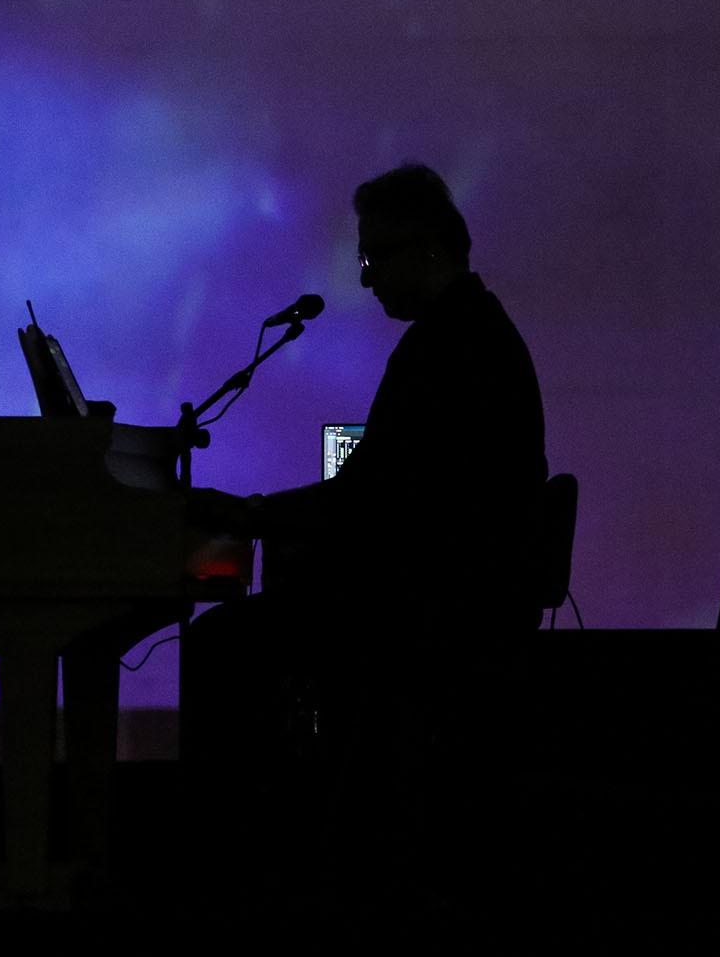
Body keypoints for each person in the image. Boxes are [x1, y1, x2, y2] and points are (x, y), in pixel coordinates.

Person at [185, 161, 548, 919]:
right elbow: (387, 495)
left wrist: (254, 515)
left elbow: (371, 500)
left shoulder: (449, 347)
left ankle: (250, 869)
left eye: (377, 255)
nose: (367, 276)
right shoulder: (468, 333)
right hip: (450, 601)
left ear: (430, 248)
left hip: (429, 615)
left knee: (222, 646)